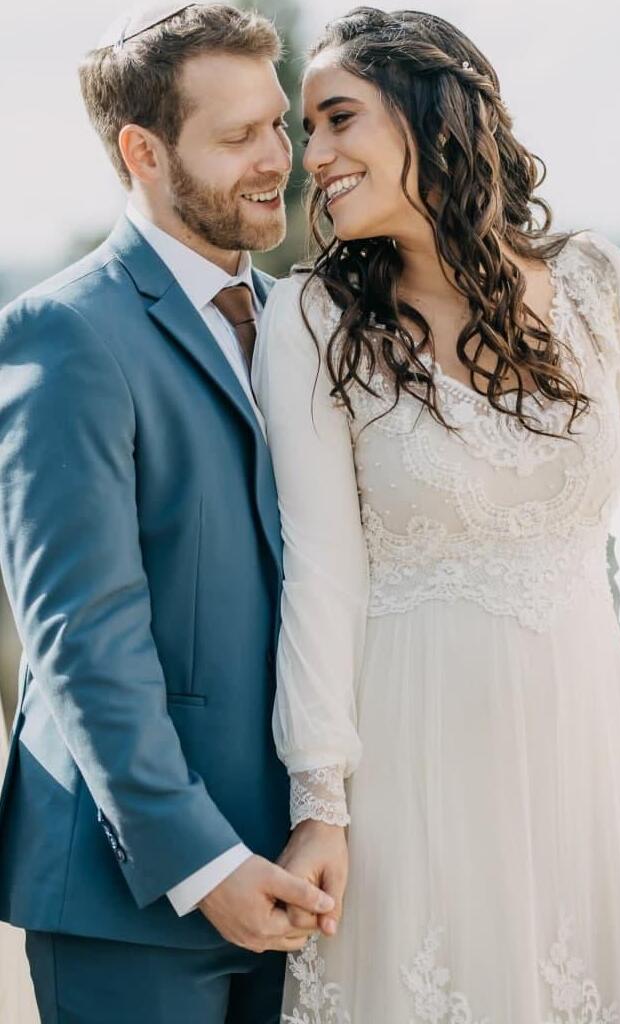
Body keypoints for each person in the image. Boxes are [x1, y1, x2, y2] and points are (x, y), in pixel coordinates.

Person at [251, 7, 620, 1020]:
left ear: (428, 112)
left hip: (586, 736)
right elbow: (320, 569)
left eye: (337, 120)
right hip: (413, 745)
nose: (315, 157)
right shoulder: (313, 320)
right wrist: (320, 801)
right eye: (306, 130)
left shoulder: (596, 281)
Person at [0, 5, 337, 1022]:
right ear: (142, 151)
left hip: (304, 881)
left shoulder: (294, 323)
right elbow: (79, 636)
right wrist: (201, 860)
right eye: (237, 137)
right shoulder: (64, 332)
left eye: (278, 123)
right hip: (131, 892)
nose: (280, 157)